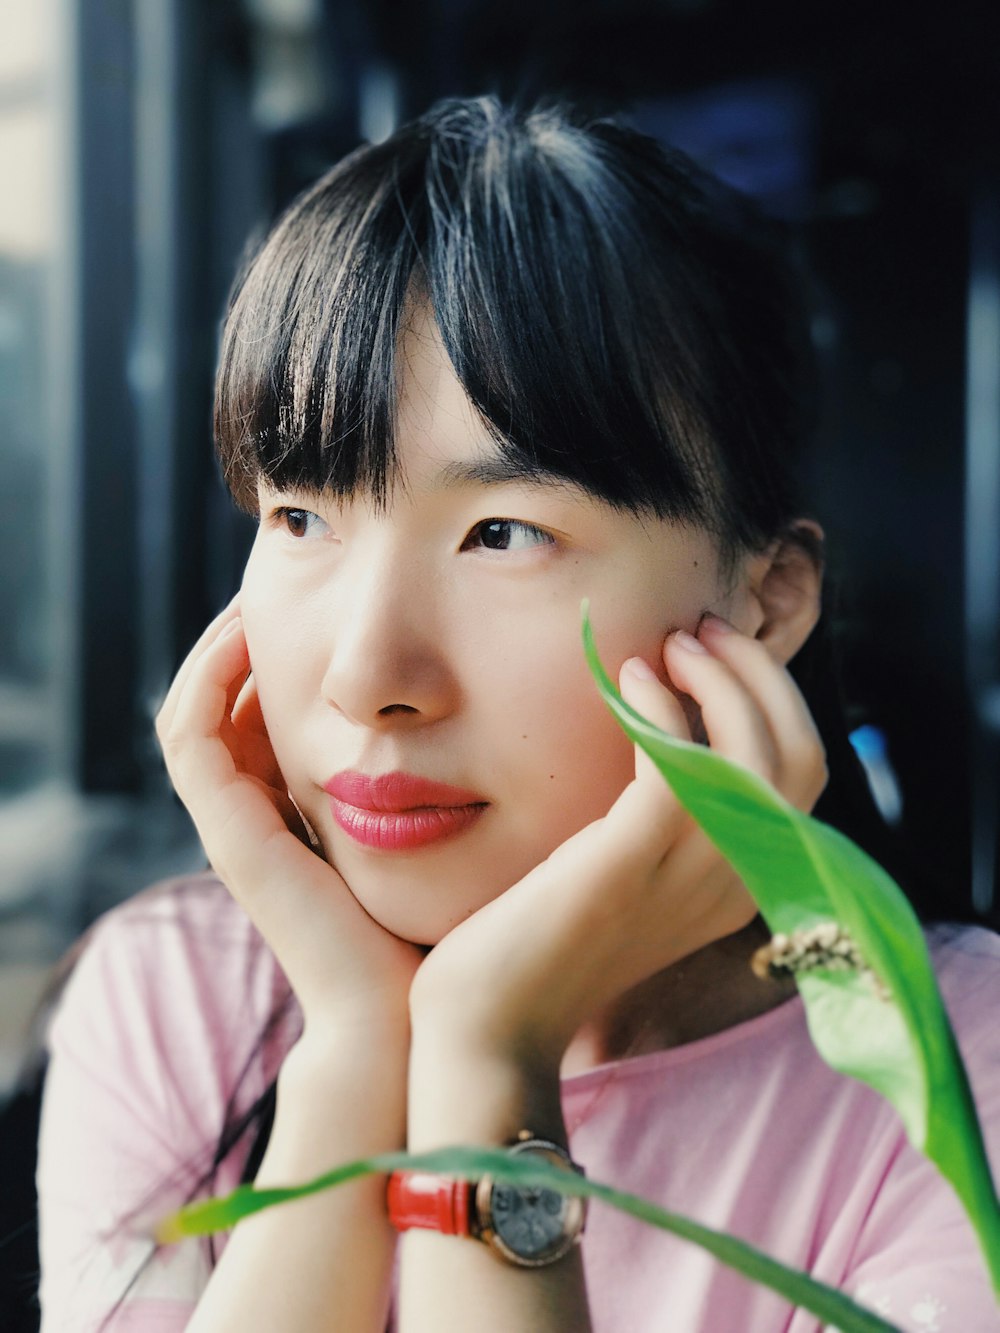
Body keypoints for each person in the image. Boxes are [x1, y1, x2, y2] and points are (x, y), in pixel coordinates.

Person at [36, 96, 1000, 1332]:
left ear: (763, 605)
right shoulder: (181, 991)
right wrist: (352, 1051)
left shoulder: (955, 1069)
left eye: (504, 531)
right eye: (301, 515)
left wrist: (491, 1054)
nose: (364, 672)